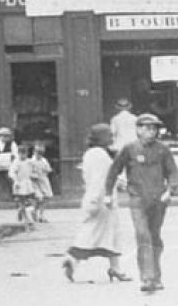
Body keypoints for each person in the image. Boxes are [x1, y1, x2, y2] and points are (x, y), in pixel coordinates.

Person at [104, 112, 178, 293]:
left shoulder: (163, 150)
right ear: (138, 129)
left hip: (159, 199)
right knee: (142, 235)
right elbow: (114, 171)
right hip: (137, 198)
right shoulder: (129, 149)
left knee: (154, 236)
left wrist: (170, 191)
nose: (151, 132)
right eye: (147, 128)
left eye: (154, 128)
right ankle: (147, 278)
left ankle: (156, 276)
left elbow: (172, 172)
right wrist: (107, 193)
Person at [62, 124, 130, 283]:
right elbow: (100, 179)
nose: (112, 138)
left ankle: (113, 267)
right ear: (100, 138)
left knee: (101, 232)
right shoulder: (100, 155)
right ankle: (74, 258)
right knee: (100, 233)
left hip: (97, 198)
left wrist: (119, 183)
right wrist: (101, 198)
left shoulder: (91, 154)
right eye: (109, 135)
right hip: (102, 200)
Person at [9, 146, 37, 227]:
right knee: (21, 200)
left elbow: (33, 170)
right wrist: (16, 181)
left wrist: (34, 175)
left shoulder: (29, 162)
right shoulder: (16, 162)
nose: (23, 156)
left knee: (29, 200)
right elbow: (12, 173)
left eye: (24, 154)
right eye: (21, 154)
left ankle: (27, 215)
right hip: (19, 183)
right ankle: (25, 217)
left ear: (27, 154)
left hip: (28, 183)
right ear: (18, 154)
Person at [29, 142, 53, 223]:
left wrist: (47, 170)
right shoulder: (31, 161)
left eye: (41, 153)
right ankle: (34, 211)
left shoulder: (44, 160)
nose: (39, 155)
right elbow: (28, 172)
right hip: (35, 182)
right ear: (34, 152)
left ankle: (41, 215)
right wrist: (33, 174)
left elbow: (49, 169)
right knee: (39, 198)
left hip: (43, 180)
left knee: (46, 197)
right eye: (37, 152)